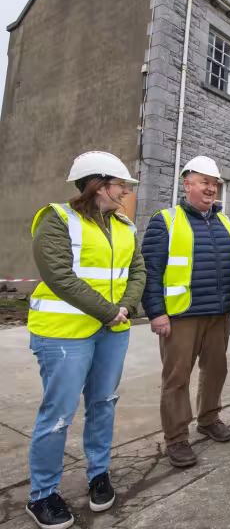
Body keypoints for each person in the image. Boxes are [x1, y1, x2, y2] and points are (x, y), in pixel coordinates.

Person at [26, 152, 145, 529]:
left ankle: (98, 474)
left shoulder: (125, 226)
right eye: (120, 185)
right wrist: (109, 311)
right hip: (64, 334)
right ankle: (42, 494)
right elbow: (60, 275)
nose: (125, 192)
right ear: (96, 185)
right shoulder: (57, 219)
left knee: (103, 403)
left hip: (112, 331)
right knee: (58, 415)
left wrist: (125, 306)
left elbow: (136, 270)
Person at [141, 156, 230, 469]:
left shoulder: (224, 221)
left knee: (216, 370)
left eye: (214, 184)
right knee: (177, 378)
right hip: (181, 316)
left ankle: (209, 419)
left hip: (219, 314)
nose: (211, 188)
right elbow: (151, 271)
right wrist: (156, 313)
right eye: (204, 182)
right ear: (187, 185)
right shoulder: (165, 221)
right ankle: (176, 438)